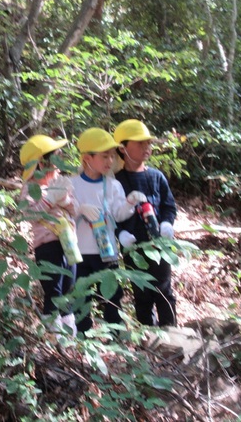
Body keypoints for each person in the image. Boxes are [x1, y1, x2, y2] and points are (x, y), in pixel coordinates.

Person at [70, 128, 146, 332]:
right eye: (104, 156)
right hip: (80, 251)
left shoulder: (113, 185)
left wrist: (130, 203)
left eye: (112, 156)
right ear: (87, 158)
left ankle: (115, 332)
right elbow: (65, 212)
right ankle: (83, 336)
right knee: (81, 295)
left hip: (107, 252)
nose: (110, 161)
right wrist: (79, 209)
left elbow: (119, 214)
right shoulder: (72, 184)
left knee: (111, 296)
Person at [114, 119, 178, 326]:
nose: (146, 148)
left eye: (148, 143)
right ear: (123, 148)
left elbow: (169, 206)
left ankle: (172, 335)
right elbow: (111, 213)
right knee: (142, 294)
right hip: (134, 249)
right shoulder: (116, 181)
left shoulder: (156, 177)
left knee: (164, 290)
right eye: (140, 143)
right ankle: (147, 340)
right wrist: (121, 233)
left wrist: (167, 223)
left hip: (159, 246)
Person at [19, 134, 78, 336]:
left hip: (68, 242)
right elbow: (30, 213)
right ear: (42, 162)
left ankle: (69, 331)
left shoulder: (61, 184)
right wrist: (50, 199)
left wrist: (66, 201)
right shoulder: (30, 187)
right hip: (48, 245)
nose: (58, 164)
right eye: (54, 159)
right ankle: (53, 333)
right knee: (54, 288)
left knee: (69, 286)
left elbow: (76, 209)